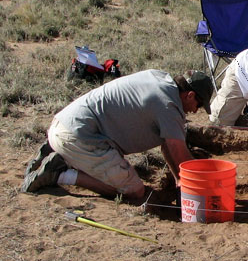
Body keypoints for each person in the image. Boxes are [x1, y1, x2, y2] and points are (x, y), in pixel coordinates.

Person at [21, 69, 215, 201]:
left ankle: (63, 154)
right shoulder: (169, 106)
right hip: (78, 137)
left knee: (125, 180)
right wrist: (209, 185)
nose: (196, 111)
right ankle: (60, 174)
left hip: (64, 124)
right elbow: (182, 158)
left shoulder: (159, 78)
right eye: (198, 105)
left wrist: (179, 179)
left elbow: (168, 146)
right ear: (189, 95)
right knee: (134, 191)